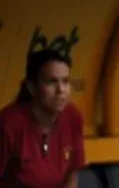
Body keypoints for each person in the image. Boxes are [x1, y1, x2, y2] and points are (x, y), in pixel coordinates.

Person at [0, 50, 85, 188]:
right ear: (32, 87)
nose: (61, 90)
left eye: (65, 81)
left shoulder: (73, 117)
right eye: (52, 82)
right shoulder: (8, 123)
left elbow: (71, 175)